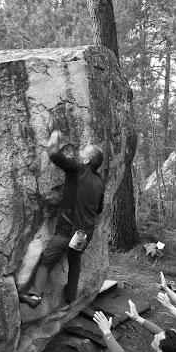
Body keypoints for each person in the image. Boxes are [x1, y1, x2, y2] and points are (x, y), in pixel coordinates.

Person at [19, 129, 104, 308]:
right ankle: (70, 296)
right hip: (84, 233)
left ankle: (35, 295)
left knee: (47, 262)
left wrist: (54, 136)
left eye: (83, 152)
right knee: (75, 261)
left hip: (66, 230)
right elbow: (99, 209)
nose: (79, 153)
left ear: (86, 161)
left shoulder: (79, 169)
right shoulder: (99, 183)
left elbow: (54, 154)